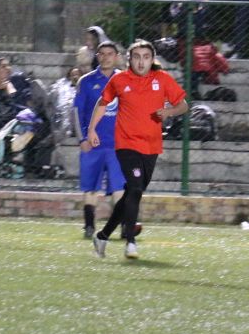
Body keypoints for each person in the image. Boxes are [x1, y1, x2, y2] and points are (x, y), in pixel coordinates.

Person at [87, 39, 188, 260]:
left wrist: (168, 112)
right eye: (136, 57)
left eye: (146, 57)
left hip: (151, 145)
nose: (141, 62)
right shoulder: (120, 80)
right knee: (133, 187)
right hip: (126, 144)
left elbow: (183, 105)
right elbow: (103, 103)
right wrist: (92, 129)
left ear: (152, 60)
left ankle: (102, 236)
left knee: (134, 192)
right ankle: (130, 242)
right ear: (129, 59)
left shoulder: (162, 79)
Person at [73, 41, 126, 240]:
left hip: (118, 145)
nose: (106, 57)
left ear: (117, 56)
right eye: (102, 54)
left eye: (110, 53)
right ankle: (89, 225)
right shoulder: (86, 81)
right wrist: (82, 139)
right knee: (90, 187)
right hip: (93, 144)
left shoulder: (126, 80)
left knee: (120, 187)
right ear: (97, 56)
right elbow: (77, 111)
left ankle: (122, 226)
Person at [48, 65, 83, 139]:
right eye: (73, 75)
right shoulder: (65, 87)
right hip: (66, 111)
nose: (75, 77)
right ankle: (67, 132)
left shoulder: (86, 86)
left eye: (77, 75)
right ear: (69, 77)